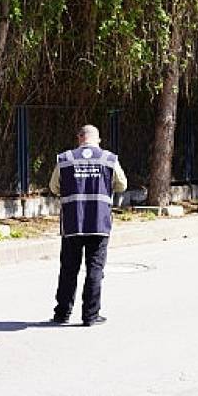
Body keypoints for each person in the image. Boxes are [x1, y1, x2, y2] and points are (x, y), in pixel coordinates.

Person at [49, 125, 127, 326]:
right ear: (97, 140)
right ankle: (90, 316)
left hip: (72, 223)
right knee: (95, 269)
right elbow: (122, 185)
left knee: (68, 269)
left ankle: (62, 314)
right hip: (99, 222)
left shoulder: (66, 159)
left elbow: (54, 187)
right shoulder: (108, 159)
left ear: (79, 138)